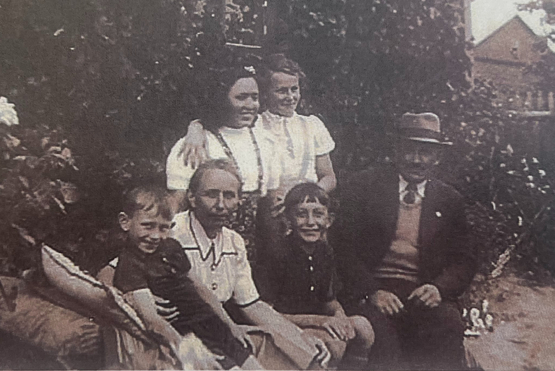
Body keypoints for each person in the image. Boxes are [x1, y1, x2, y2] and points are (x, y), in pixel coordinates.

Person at [335, 113, 476, 370]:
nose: (416, 159)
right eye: (410, 151)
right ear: (396, 150)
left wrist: (439, 289)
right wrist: (371, 290)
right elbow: (342, 248)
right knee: (385, 348)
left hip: (422, 291)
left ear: (437, 157)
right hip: (375, 291)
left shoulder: (449, 199)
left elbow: (464, 260)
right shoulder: (364, 187)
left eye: (425, 152)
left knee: (448, 328)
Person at [170, 159, 331, 370]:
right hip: (177, 334)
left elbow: (252, 305)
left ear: (238, 200)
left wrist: (299, 338)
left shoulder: (233, 241)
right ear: (192, 197)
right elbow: (119, 275)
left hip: (220, 330)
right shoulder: (170, 231)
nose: (220, 205)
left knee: (307, 361)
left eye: (229, 196)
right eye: (211, 194)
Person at [112, 184, 263, 370]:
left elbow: (200, 288)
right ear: (125, 222)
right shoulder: (130, 264)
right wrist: (188, 348)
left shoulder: (171, 247)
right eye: (148, 226)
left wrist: (231, 325)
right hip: (186, 333)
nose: (155, 236)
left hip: (211, 322)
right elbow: (152, 319)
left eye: (163, 228)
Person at [166, 63, 280, 260]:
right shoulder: (196, 144)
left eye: (255, 97)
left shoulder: (266, 140)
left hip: (255, 246)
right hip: (203, 245)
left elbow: (272, 202)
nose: (250, 105)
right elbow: (177, 204)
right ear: (222, 99)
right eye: (241, 97)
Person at [264, 182, 374, 369]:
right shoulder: (277, 254)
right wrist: (320, 321)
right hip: (284, 325)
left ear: (328, 220)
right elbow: (266, 313)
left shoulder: (324, 252)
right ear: (289, 219)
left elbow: (328, 300)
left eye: (318, 214)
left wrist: (340, 316)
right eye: (301, 214)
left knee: (362, 327)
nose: (310, 222)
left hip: (315, 321)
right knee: (334, 344)